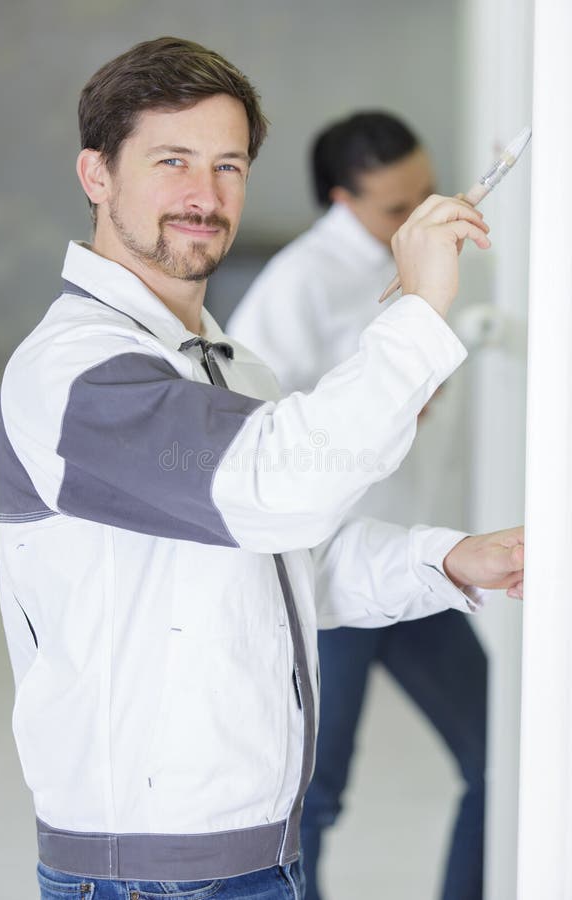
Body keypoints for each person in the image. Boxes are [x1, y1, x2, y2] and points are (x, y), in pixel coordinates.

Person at [0, 38, 523, 900]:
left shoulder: (230, 366)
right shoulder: (76, 374)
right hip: (149, 880)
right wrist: (423, 311)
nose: (206, 196)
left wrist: (450, 558)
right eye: (172, 161)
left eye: (228, 166)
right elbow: (278, 488)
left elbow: (279, 567)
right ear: (97, 175)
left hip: (256, 858)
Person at [227, 112, 489, 900]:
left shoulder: (427, 256)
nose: (422, 217)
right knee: (315, 798)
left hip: (416, 560)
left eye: (428, 192)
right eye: (395, 207)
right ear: (342, 199)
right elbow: (252, 440)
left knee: (503, 754)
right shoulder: (297, 284)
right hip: (328, 576)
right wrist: (388, 406)